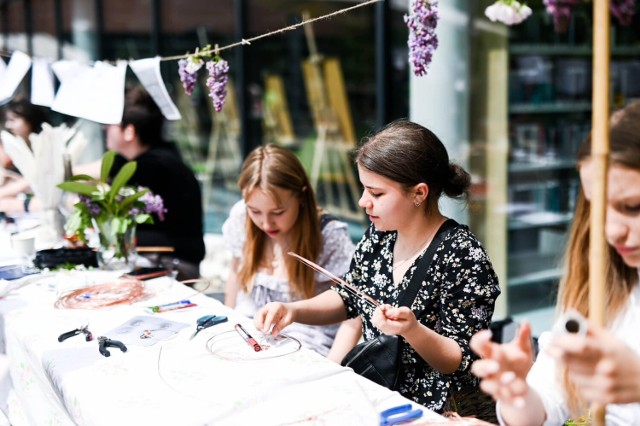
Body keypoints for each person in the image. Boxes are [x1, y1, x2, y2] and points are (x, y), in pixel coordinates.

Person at [254, 119, 501, 413]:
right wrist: (293, 310)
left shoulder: (463, 255)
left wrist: (413, 330)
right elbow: (348, 297)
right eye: (364, 190)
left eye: (377, 193)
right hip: (377, 395)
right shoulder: (380, 234)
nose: (363, 202)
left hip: (438, 411)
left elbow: (460, 358)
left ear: (419, 194)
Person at [470, 102, 640, 425]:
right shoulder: (599, 287)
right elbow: (548, 404)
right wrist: (517, 391)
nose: (611, 229)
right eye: (596, 208)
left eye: (632, 206)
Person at [222, 144, 356, 356]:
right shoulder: (241, 217)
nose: (266, 224)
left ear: (302, 196)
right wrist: (227, 321)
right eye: (255, 211)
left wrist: (334, 365)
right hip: (247, 333)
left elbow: (353, 310)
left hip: (305, 342)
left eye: (278, 212)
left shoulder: (328, 235)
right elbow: (236, 272)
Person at [101, 86, 205, 280]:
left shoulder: (152, 167)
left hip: (173, 265)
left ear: (129, 131)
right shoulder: (151, 158)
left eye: (109, 124)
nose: (104, 129)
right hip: (159, 259)